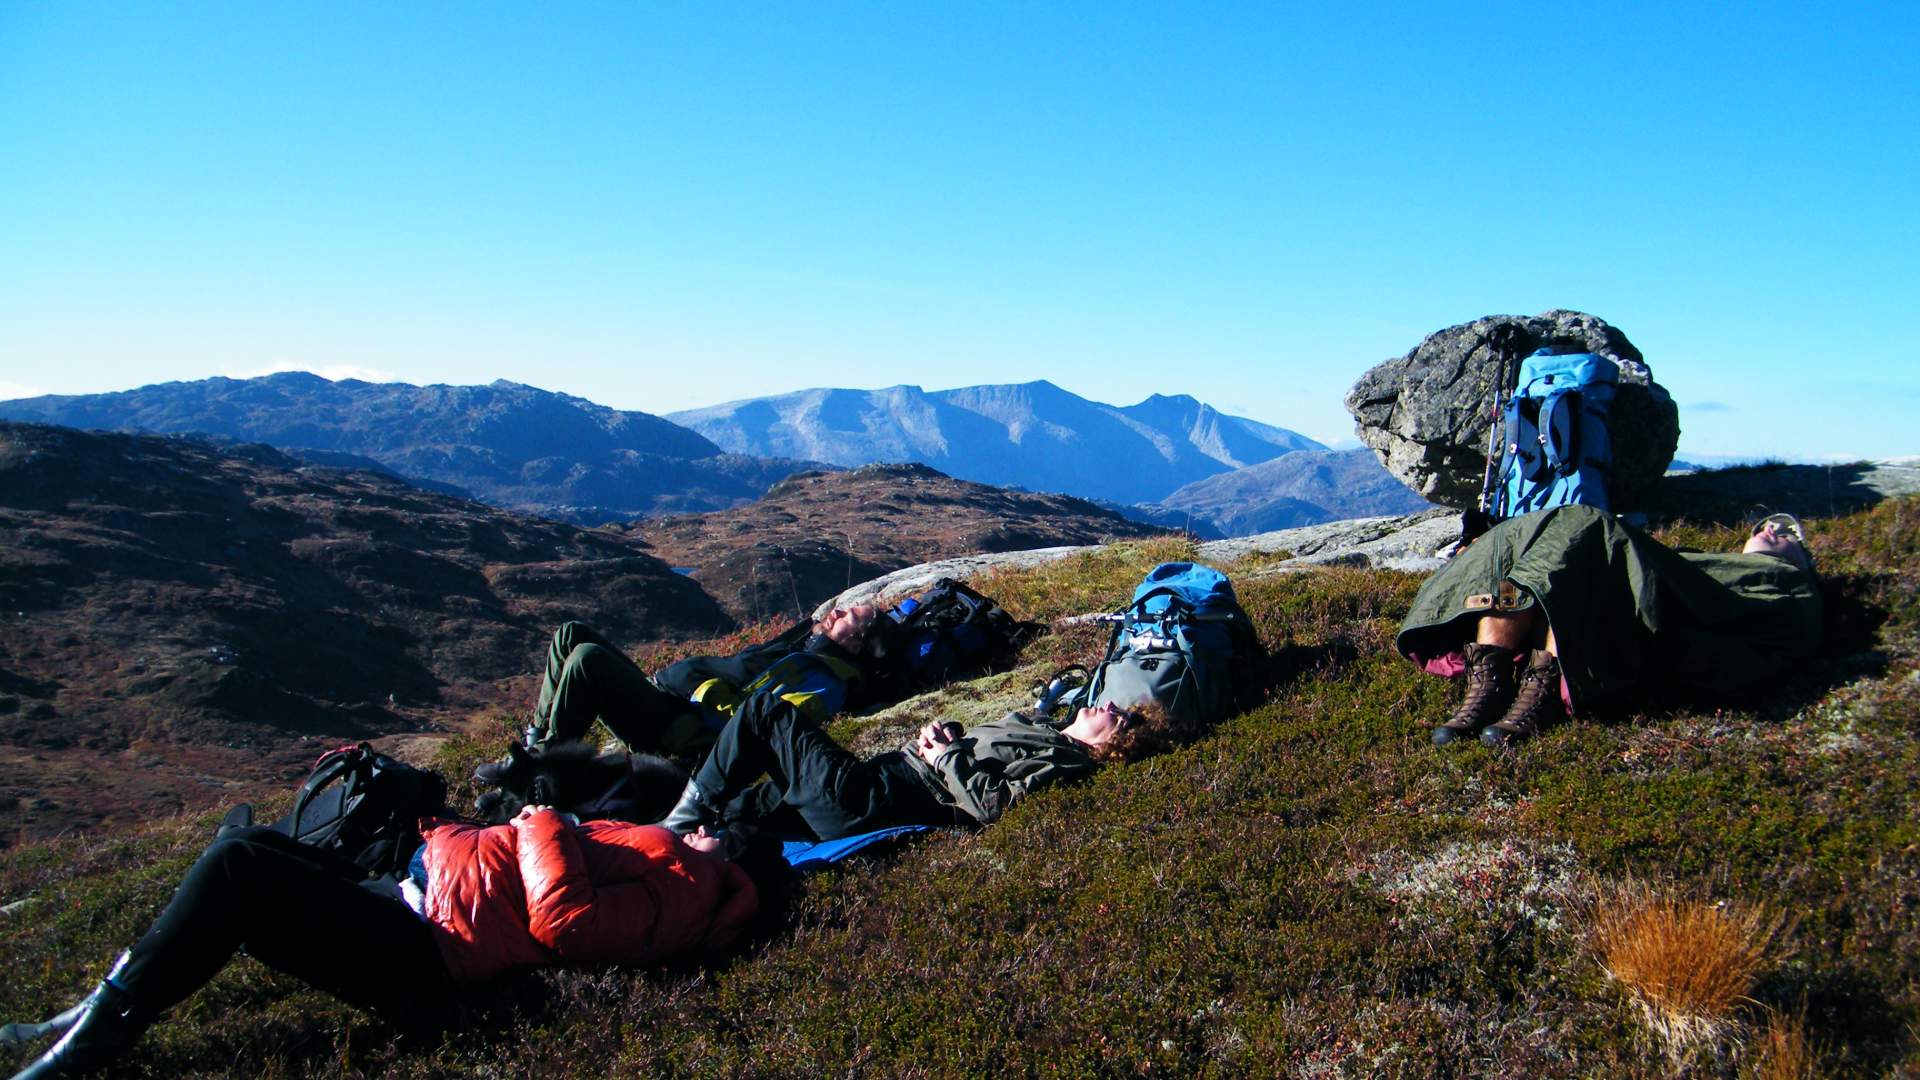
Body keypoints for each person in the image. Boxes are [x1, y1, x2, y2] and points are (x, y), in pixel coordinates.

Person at [2, 810, 759, 1079]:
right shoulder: (680, 871)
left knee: (238, 870)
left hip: (426, 947)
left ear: (725, 848)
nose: (697, 828)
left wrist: (546, 822)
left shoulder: (689, 879)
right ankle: (87, 1010)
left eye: (709, 829)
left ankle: (85, 1045)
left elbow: (569, 925)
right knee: (254, 844)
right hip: (420, 899)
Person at [1398, 505, 1821, 747]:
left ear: (1794, 557)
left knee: (1578, 530)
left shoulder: (1768, 575)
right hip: (1571, 578)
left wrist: (1777, 561)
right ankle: (1489, 685)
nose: (1770, 528)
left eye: (1782, 533)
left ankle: (1540, 692)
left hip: (1615, 585)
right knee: (1523, 560)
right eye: (1766, 526)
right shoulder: (1692, 559)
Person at [659, 689, 1185, 841]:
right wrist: (948, 738)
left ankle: (676, 824)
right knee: (732, 820)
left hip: (872, 795)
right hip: (870, 790)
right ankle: (658, 843)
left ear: (1108, 748)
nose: (1110, 706)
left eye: (1118, 719)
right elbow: (980, 762)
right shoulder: (1047, 732)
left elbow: (997, 805)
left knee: (763, 713)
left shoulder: (1067, 763)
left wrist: (942, 756)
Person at [477, 603, 883, 784]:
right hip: (666, 696)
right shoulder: (803, 646)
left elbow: (769, 720)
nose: (836, 612)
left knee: (586, 659)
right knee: (571, 633)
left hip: (675, 725)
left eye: (848, 616)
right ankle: (533, 744)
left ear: (856, 645)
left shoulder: (826, 679)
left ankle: (539, 768)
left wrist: (707, 697)